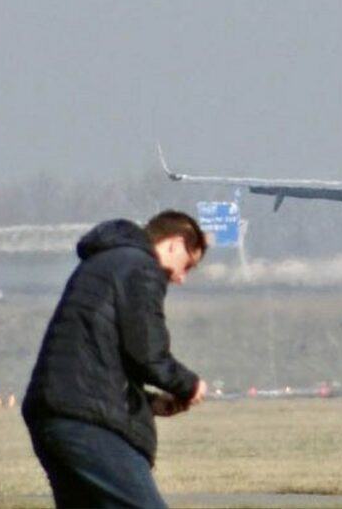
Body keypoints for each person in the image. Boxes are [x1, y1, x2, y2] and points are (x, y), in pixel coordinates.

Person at [22, 210, 209, 508]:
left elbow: (100, 356)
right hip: (88, 424)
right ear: (174, 243)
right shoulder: (141, 266)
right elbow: (147, 351)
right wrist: (189, 385)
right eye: (187, 265)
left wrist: (148, 403)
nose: (181, 278)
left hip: (53, 416)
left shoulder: (104, 262)